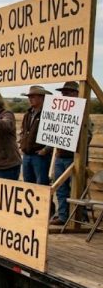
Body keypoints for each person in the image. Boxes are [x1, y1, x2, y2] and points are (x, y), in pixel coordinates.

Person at [51, 81, 91, 225]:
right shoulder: (59, 114)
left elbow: (88, 136)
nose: (64, 95)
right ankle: (63, 216)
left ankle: (81, 216)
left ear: (76, 94)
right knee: (61, 189)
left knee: (77, 188)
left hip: (75, 158)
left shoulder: (83, 113)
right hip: (60, 156)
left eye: (67, 92)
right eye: (63, 93)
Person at [19, 85, 53, 185]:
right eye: (29, 97)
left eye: (33, 97)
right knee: (28, 184)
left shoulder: (48, 113)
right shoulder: (28, 114)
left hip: (40, 155)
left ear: (42, 97)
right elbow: (23, 131)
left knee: (41, 185)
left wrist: (46, 149)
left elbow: (53, 133)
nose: (30, 99)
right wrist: (22, 144)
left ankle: (48, 201)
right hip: (26, 154)